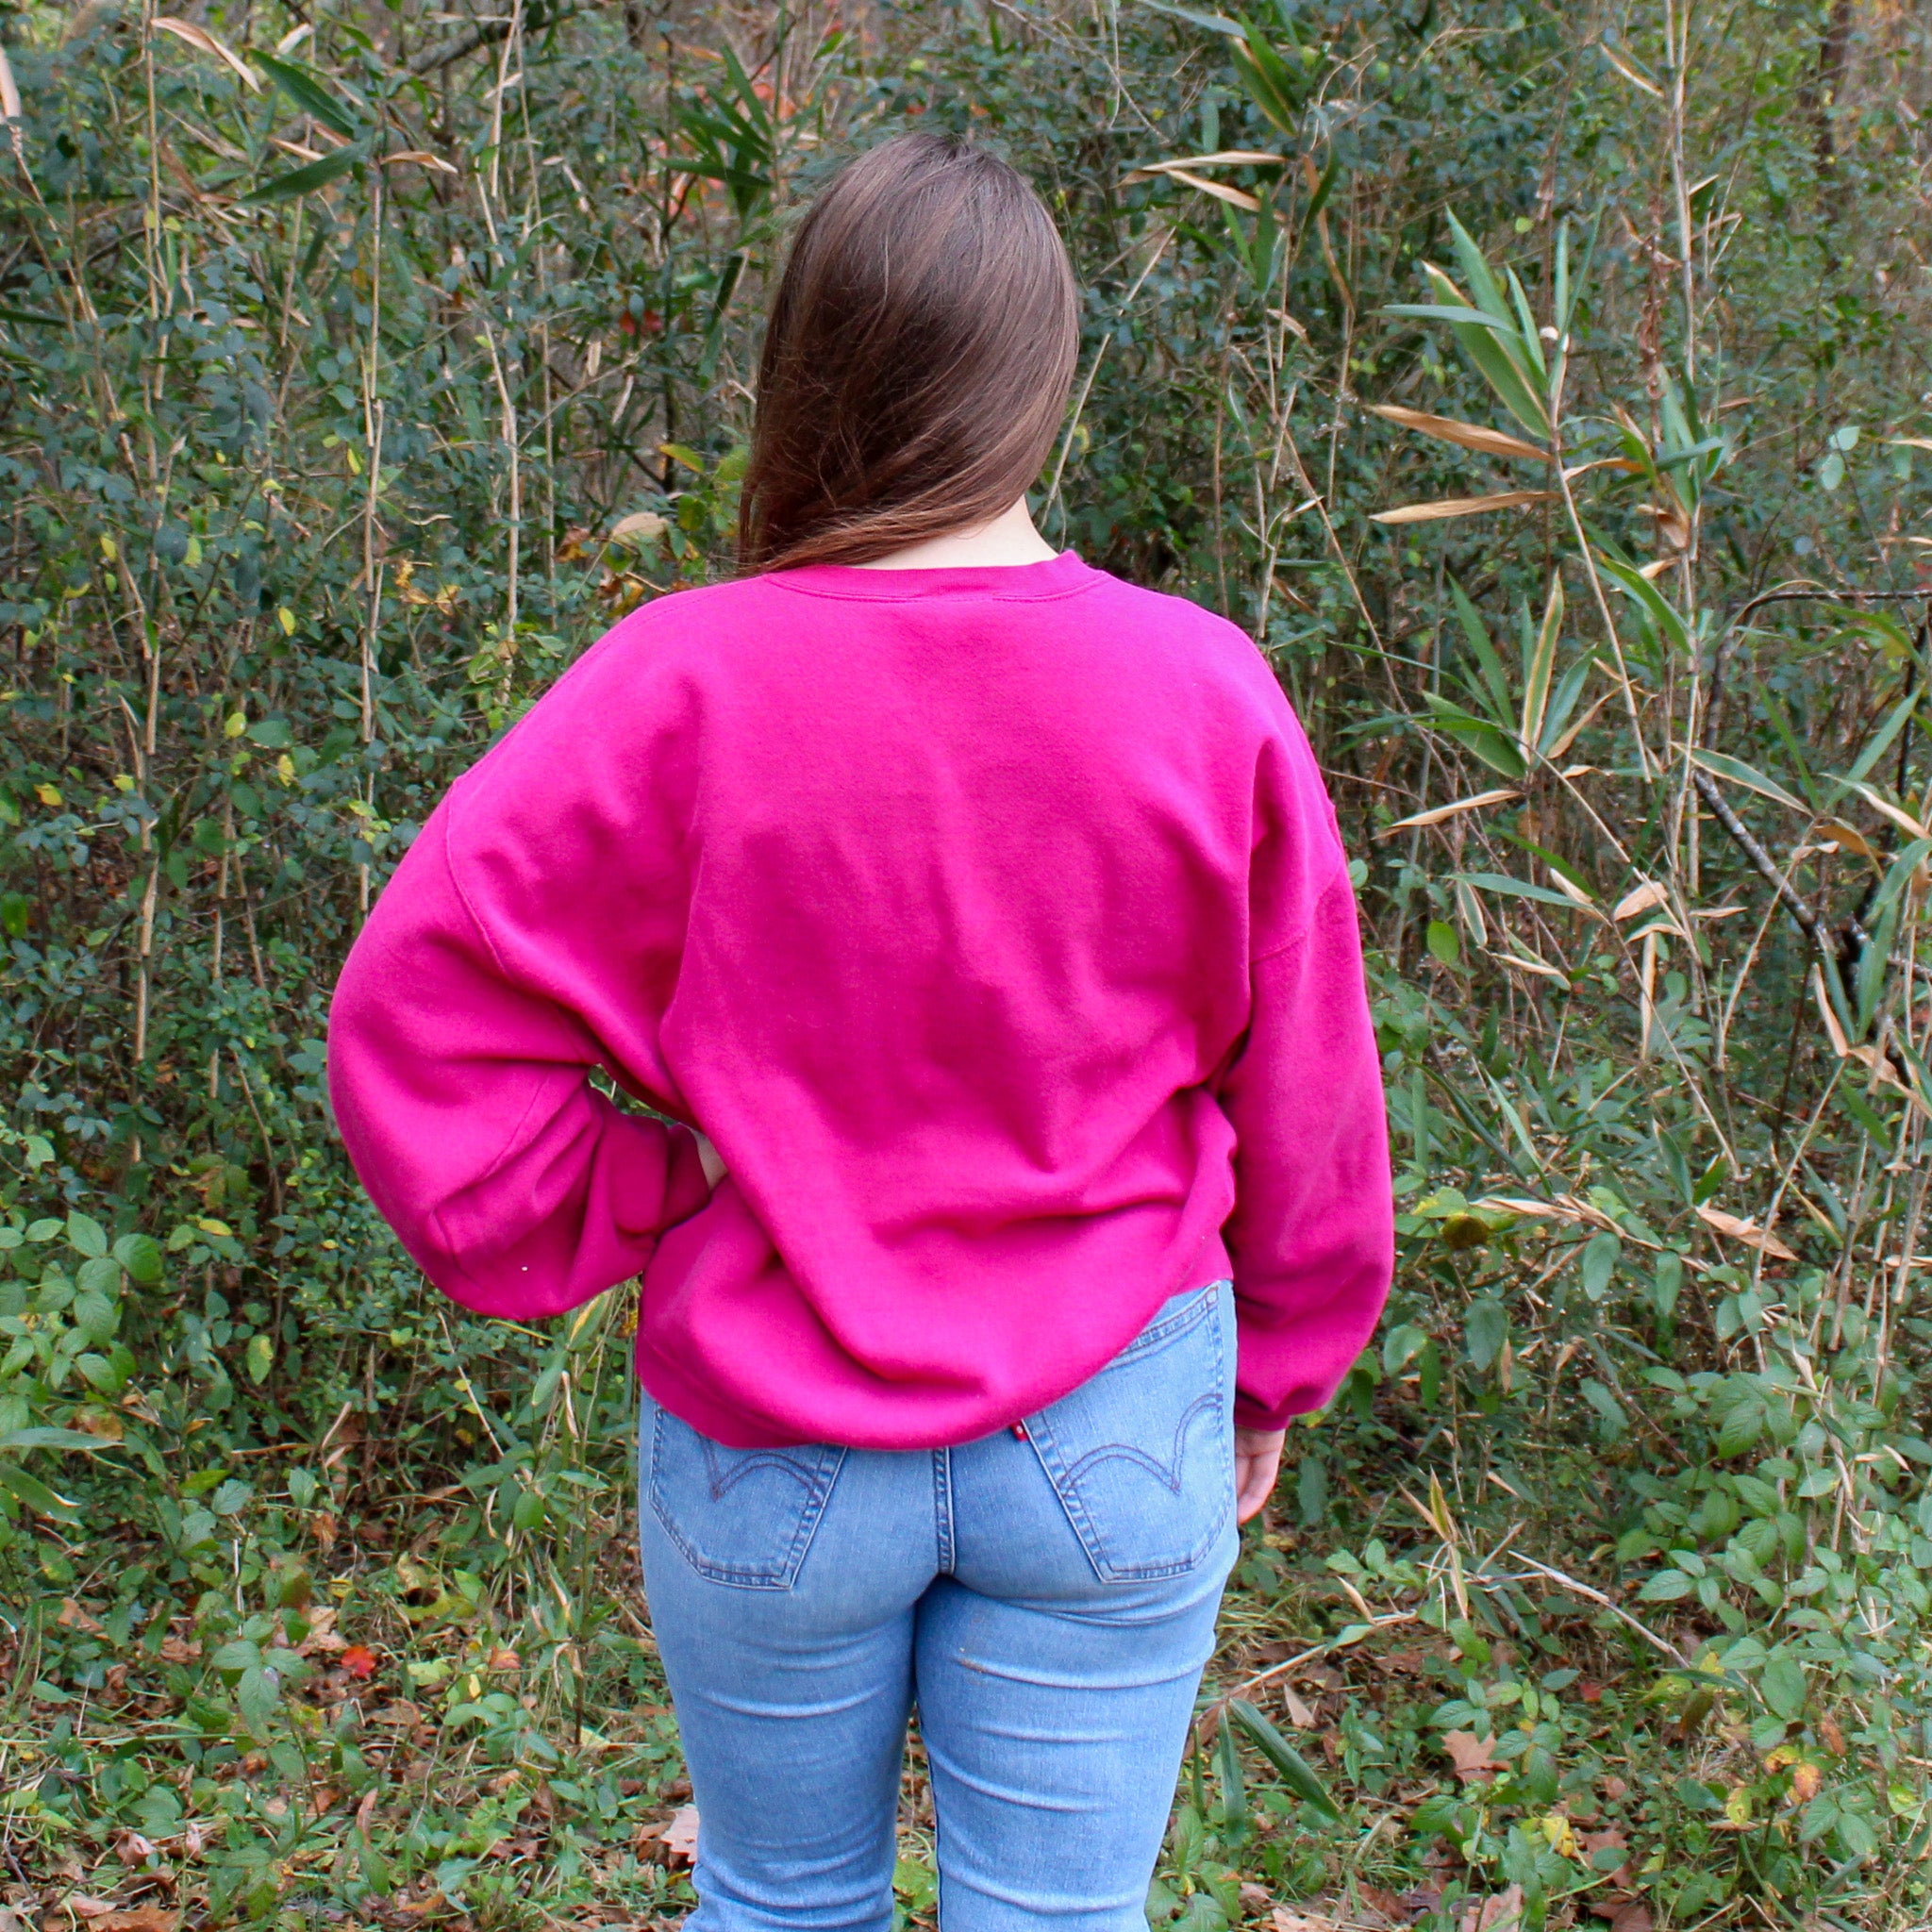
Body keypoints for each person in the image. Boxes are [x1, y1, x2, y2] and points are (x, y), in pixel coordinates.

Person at [329, 132, 1391, 1932]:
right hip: (1120, 1401)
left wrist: (643, 1197)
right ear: (1044, 384)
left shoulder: (678, 682)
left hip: (774, 1423)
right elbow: (1309, 1087)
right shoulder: (1203, 691)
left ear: (809, 378)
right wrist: (1279, 1366)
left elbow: (415, 1017)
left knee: (782, 1905)